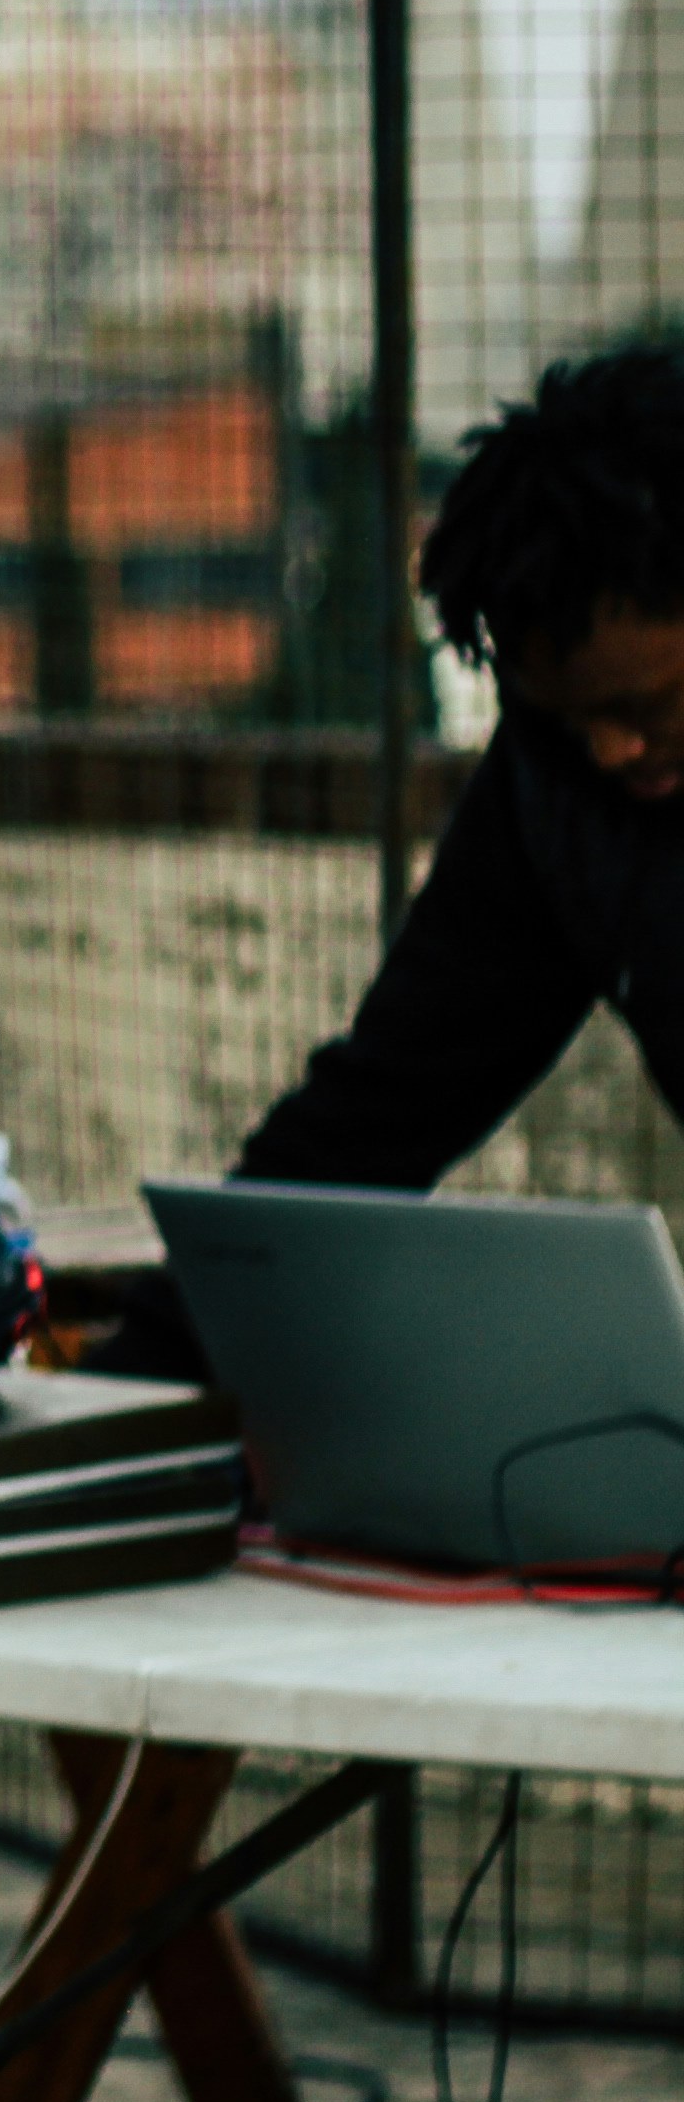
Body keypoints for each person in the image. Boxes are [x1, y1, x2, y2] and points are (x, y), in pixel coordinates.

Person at [103, 338, 684, 1376]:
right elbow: (375, 1116)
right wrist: (125, 1395)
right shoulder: (559, 791)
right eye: (565, 717)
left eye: (646, 708)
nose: (609, 751)